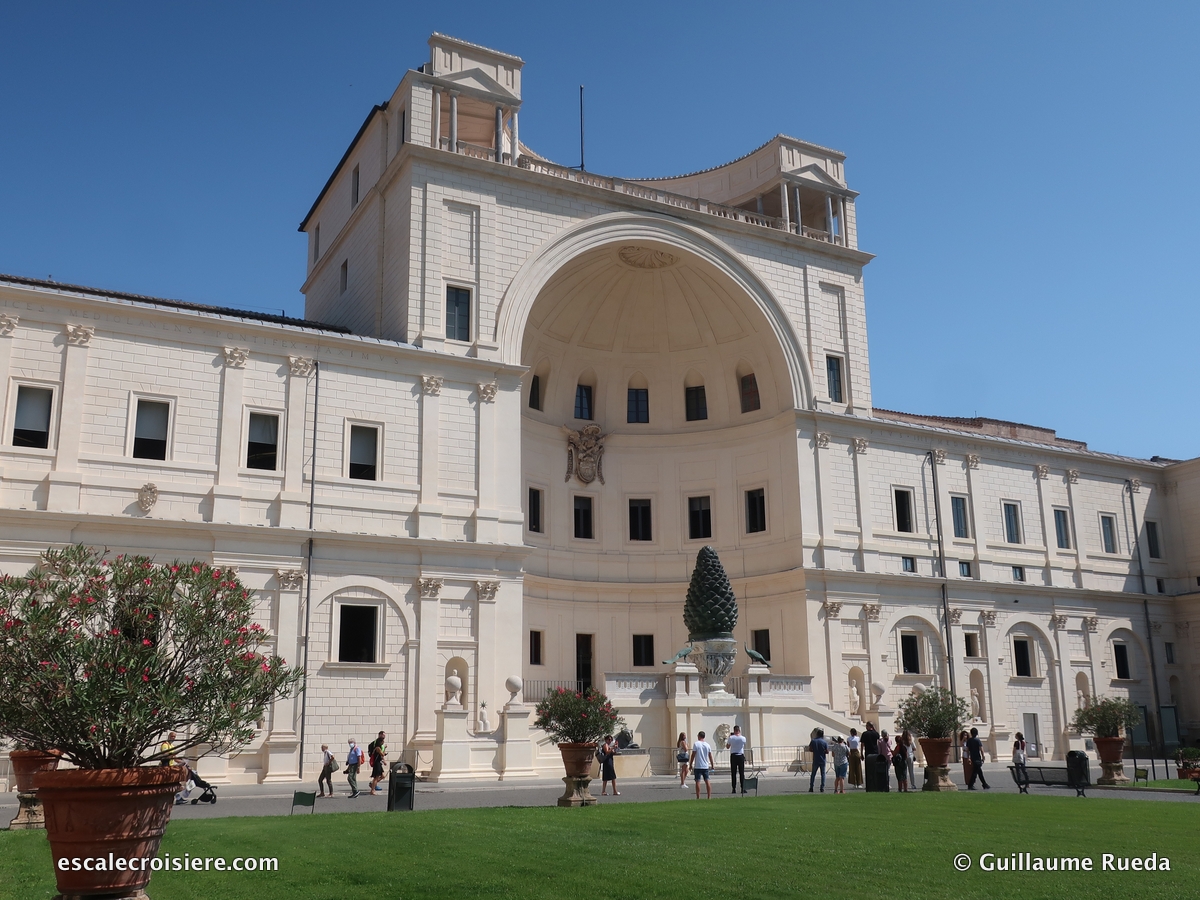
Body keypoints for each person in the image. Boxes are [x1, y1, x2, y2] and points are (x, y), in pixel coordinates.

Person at [690, 730, 715, 799]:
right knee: (707, 780)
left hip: (698, 765)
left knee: (697, 781)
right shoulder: (707, 745)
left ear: (699, 736)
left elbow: (693, 754)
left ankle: (698, 796)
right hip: (705, 765)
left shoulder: (696, 744)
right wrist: (712, 765)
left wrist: (690, 764)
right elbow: (710, 756)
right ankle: (709, 796)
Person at [726, 725, 748, 794]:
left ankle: (733, 788)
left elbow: (727, 746)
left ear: (734, 730)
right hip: (740, 755)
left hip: (734, 755)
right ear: (739, 730)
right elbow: (744, 744)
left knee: (733, 773)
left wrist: (730, 737)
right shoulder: (743, 738)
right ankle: (743, 787)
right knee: (742, 773)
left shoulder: (731, 738)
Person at [808, 728, 829, 792]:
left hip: (816, 759)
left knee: (813, 774)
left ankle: (811, 787)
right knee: (823, 774)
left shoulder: (813, 741)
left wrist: (815, 750)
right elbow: (827, 751)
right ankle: (822, 787)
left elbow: (810, 749)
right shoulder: (824, 742)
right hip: (822, 759)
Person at [367, 731, 387, 795]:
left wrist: (383, 760)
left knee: (383, 776)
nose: (384, 736)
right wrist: (384, 752)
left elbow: (381, 755)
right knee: (376, 777)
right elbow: (382, 754)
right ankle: (372, 790)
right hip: (377, 763)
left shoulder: (379, 745)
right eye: (383, 735)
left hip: (379, 762)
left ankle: (372, 784)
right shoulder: (377, 746)